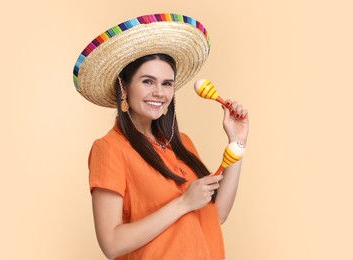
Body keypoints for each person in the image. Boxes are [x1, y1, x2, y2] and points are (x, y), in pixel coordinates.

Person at [73, 14, 249, 260]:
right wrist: (184, 203)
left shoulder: (182, 143)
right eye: (147, 81)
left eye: (167, 84)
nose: (159, 92)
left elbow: (216, 215)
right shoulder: (110, 148)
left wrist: (237, 143)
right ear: (124, 86)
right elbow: (111, 244)